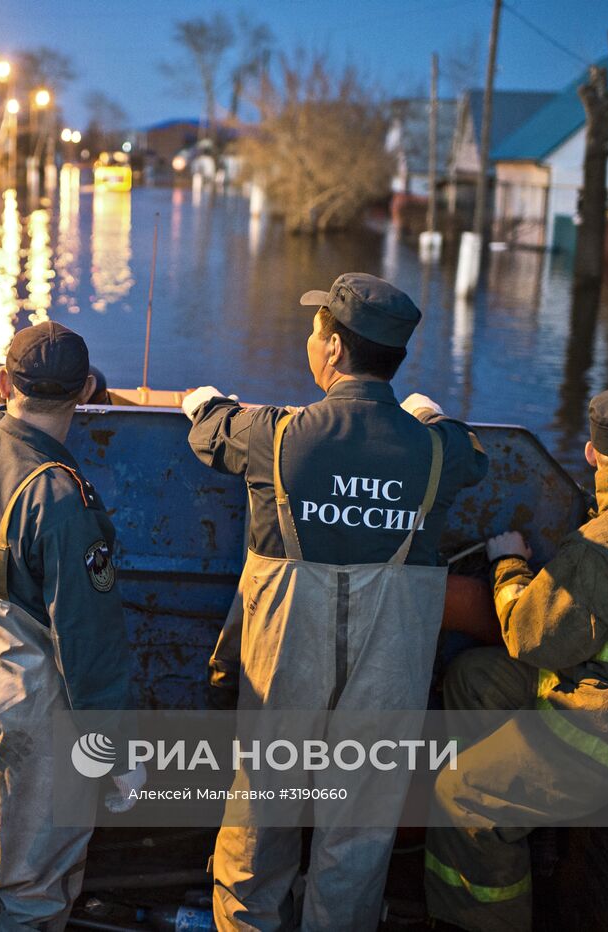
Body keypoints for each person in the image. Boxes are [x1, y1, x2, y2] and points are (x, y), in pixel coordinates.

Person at [184, 272, 489, 930]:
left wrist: (204, 400)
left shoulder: (276, 435)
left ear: (332, 351)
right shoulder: (438, 454)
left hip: (285, 664)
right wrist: (427, 416)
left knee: (262, 809)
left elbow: (208, 433)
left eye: (315, 328)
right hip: (388, 674)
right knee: (359, 823)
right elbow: (473, 456)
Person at [425, 388, 608, 932]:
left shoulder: (605, 544)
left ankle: (483, 909)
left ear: (592, 453)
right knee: (475, 679)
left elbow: (528, 638)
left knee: (460, 797)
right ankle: (519, 827)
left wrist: (509, 563)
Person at [0, 322, 142, 930]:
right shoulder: (59, 500)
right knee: (36, 884)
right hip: (23, 713)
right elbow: (89, 644)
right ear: (81, 394)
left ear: (4, 384)